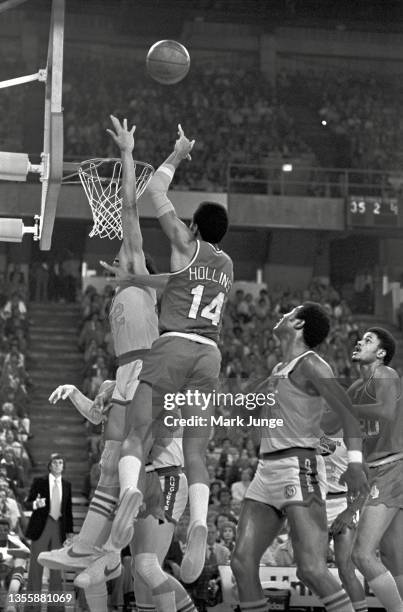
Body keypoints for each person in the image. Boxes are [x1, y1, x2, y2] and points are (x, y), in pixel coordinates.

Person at [94, 122, 233, 585]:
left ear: (192, 227)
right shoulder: (227, 265)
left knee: (136, 435)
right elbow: (176, 286)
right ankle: (198, 520)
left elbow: (154, 190)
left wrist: (175, 155)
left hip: (170, 350)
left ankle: (131, 492)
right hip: (210, 357)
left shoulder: (183, 246)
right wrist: (136, 281)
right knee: (197, 454)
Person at [37, 116, 159, 572]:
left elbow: (128, 209)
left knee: (122, 458)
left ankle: (115, 529)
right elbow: (97, 410)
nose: (121, 255)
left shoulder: (137, 270)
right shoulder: (122, 297)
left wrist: (128, 153)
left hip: (146, 370)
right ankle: (95, 545)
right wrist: (76, 392)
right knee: (111, 460)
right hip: (134, 372)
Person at [231, 302, 369, 612]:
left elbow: (348, 415)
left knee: (311, 569)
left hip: (298, 468)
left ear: (298, 324)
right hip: (266, 470)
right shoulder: (279, 369)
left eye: (289, 312)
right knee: (241, 562)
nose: (281, 314)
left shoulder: (313, 365)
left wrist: (356, 462)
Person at [40, 381, 198, 612]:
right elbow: (96, 415)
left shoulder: (161, 383)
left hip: (165, 477)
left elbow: (163, 438)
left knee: (146, 566)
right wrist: (74, 392)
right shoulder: (116, 385)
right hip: (133, 478)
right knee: (124, 565)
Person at [348, 328, 403, 612]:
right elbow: (333, 423)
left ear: (381, 354)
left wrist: (346, 409)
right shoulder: (357, 388)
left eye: (368, 340)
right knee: (394, 558)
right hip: (379, 471)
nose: (360, 342)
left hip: (393, 467)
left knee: (363, 554)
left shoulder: (386, 375)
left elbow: (384, 412)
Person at [319, 423, 368, 612]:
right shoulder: (308, 429)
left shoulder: (350, 435)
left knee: (346, 569)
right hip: (316, 506)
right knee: (314, 568)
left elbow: (368, 483)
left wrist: (350, 512)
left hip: (343, 503)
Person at [24, 453, 73, 610]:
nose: (58, 465)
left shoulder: (67, 485)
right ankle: (32, 606)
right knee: (36, 567)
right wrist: (36, 504)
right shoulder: (40, 482)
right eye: (55, 462)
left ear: (63, 466)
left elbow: (68, 510)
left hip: (59, 528)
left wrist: (70, 533)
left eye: (61, 462)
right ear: (50, 465)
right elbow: (27, 503)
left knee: (56, 568)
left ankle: (56, 608)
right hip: (41, 527)